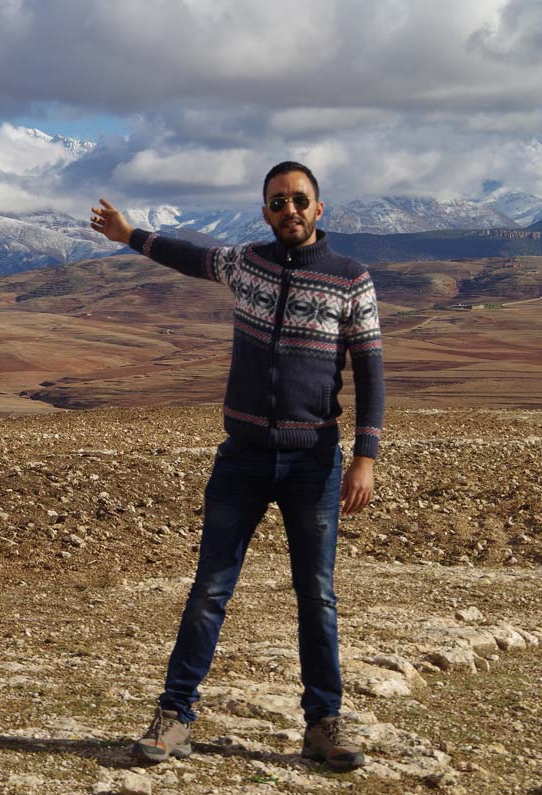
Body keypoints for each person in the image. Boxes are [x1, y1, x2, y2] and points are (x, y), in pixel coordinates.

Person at [90, 161, 384, 771]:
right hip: (242, 458)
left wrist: (366, 455)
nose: (289, 211)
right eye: (277, 203)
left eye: (299, 200)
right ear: (265, 211)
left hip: (315, 464)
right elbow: (189, 256)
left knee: (317, 595)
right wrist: (129, 235)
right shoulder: (247, 263)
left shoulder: (351, 279)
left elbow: (371, 369)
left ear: (319, 208)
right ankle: (174, 718)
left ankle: (324, 724)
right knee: (209, 591)